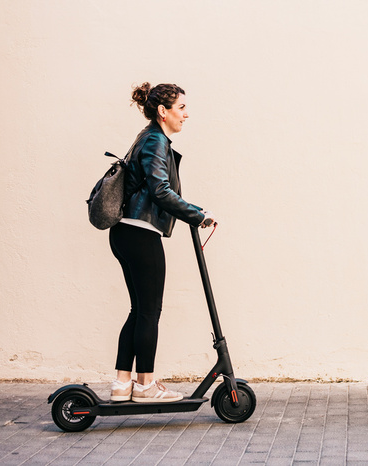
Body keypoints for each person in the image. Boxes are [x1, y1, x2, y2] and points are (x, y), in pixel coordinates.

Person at [108, 82, 215, 403]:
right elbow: (160, 190)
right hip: (141, 233)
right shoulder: (155, 141)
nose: (186, 114)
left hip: (125, 233)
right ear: (162, 111)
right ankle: (146, 386)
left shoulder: (147, 137)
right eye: (181, 107)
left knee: (139, 310)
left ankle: (123, 384)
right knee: (149, 312)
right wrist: (198, 214)